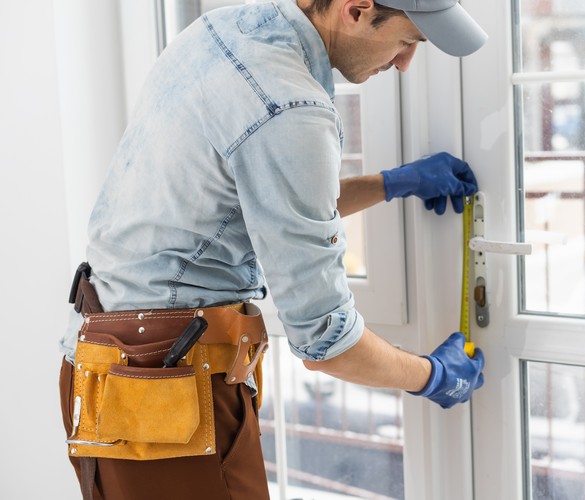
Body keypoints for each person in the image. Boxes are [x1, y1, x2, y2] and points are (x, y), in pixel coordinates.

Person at [59, 0, 487, 498]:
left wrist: (390, 184)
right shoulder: (287, 103)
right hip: (163, 396)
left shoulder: (227, 29)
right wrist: (433, 376)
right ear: (356, 10)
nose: (405, 62)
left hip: (105, 365)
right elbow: (328, 342)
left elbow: (262, 204)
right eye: (408, 40)